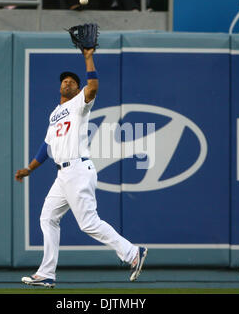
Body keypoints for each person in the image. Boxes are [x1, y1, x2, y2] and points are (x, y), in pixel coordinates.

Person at [15, 47, 148, 288]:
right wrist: (29, 169)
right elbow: (47, 146)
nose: (67, 82)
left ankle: (132, 253)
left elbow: (94, 87)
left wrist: (88, 57)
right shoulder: (54, 113)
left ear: (78, 89)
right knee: (48, 218)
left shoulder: (80, 103)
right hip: (62, 175)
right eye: (64, 80)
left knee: (88, 223)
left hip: (77, 169)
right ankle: (46, 273)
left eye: (72, 81)